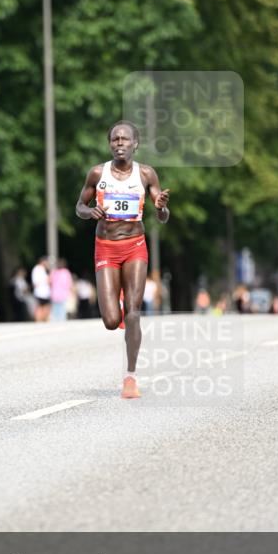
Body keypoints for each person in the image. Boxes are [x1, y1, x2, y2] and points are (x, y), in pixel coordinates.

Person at [76, 120, 170, 399]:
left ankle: (130, 377)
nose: (120, 143)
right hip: (105, 247)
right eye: (115, 139)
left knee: (133, 312)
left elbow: (162, 215)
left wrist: (162, 208)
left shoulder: (146, 175)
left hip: (135, 247)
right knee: (110, 320)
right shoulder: (97, 173)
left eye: (125, 139)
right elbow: (79, 205)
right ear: (110, 144)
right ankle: (115, 299)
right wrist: (88, 212)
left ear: (135, 144)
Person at [31, 256, 51, 322]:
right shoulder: (37, 269)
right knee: (39, 306)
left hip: (45, 292)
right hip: (39, 292)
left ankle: (44, 319)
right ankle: (38, 320)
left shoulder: (43, 270)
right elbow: (35, 282)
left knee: (45, 306)